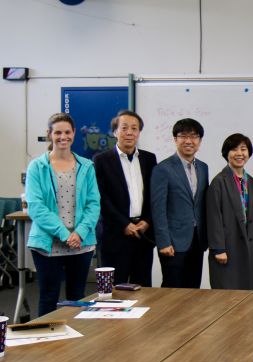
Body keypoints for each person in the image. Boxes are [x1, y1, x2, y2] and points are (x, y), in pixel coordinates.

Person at [25, 113, 100, 316]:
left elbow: (94, 204)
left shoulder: (87, 166)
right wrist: (65, 235)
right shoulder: (37, 167)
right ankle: (45, 345)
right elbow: (36, 206)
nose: (63, 137)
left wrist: (79, 233)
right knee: (49, 296)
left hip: (81, 243)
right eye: (57, 132)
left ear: (74, 133)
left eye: (67, 132)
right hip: (48, 244)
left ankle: (75, 346)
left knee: (77, 298)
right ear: (49, 134)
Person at [93, 110, 157, 287]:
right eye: (124, 128)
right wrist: (123, 224)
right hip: (115, 235)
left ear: (139, 133)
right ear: (115, 132)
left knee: (143, 290)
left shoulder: (149, 159)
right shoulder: (101, 160)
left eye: (134, 128)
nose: (129, 132)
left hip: (143, 234)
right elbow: (101, 198)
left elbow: (154, 195)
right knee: (113, 290)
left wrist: (147, 221)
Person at [151, 118, 209, 289]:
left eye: (194, 136)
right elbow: (158, 208)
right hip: (173, 242)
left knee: (193, 289)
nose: (189, 141)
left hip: (197, 240)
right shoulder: (163, 169)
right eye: (183, 136)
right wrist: (163, 242)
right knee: (172, 289)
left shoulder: (204, 168)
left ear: (199, 141)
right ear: (175, 139)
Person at [206, 133, 253, 290]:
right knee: (228, 293)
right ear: (226, 153)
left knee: (250, 293)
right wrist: (218, 248)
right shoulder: (218, 182)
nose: (239, 154)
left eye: (243, 149)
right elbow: (213, 217)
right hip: (227, 248)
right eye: (234, 149)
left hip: (249, 247)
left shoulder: (251, 182)